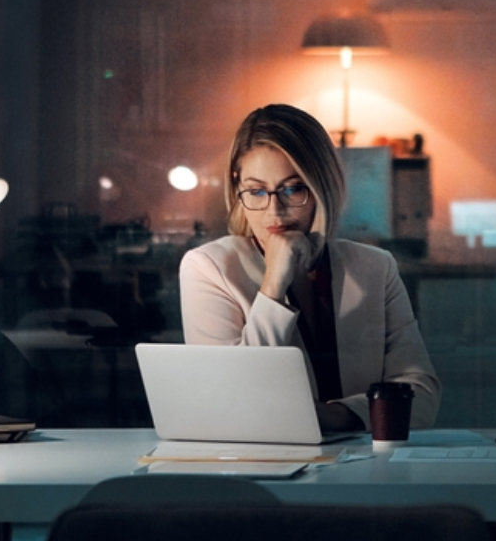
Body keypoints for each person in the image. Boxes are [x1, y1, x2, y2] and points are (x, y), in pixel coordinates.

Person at [180, 104, 440, 432]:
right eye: (257, 191)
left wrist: (336, 415)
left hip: (367, 463)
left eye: (292, 189)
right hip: (259, 461)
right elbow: (231, 399)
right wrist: (273, 283)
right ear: (237, 187)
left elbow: (422, 394)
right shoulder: (208, 268)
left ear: (321, 188)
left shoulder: (375, 267)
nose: (274, 210)